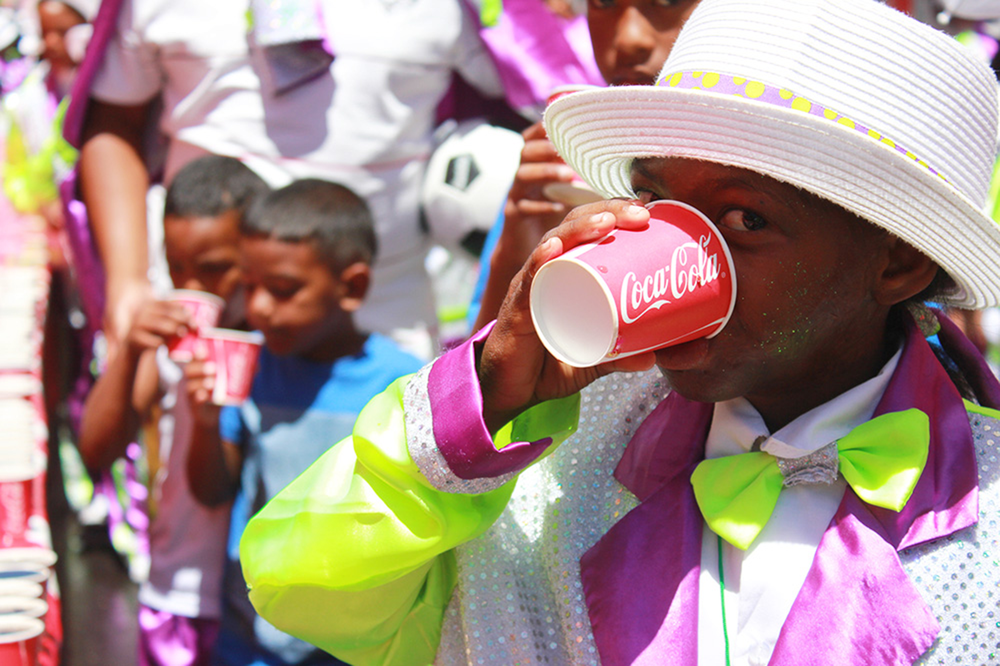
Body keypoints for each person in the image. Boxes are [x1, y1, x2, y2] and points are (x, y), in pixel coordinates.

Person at [238, 0, 1000, 664]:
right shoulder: (535, 463)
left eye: (745, 219)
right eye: (655, 200)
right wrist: (479, 405)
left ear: (898, 262)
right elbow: (300, 587)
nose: (684, 252)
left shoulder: (985, 520)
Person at [75, 0, 506, 362]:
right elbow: (114, 120)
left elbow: (528, 92)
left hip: (383, 317)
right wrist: (127, 281)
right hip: (206, 325)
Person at [183, 178, 425, 666]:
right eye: (249, 286)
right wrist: (204, 423)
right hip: (251, 643)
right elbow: (213, 491)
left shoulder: (404, 385)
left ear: (352, 287)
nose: (258, 307)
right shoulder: (252, 368)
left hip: (357, 648)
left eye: (282, 290)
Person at [77, 154, 270, 666]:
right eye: (177, 268)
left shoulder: (284, 340)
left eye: (214, 269)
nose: (193, 287)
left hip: (267, 606)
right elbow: (95, 450)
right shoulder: (164, 341)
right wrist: (130, 352)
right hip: (180, 590)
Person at [470, 0, 703, 330]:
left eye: (668, 1)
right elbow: (486, 355)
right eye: (603, 3)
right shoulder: (545, 182)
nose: (628, 39)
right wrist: (519, 254)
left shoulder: (755, 168)